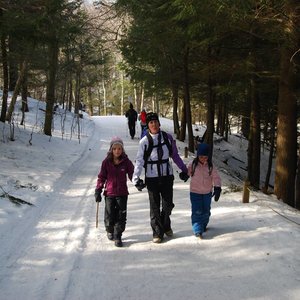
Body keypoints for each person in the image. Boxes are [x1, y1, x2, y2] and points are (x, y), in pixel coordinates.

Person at [132, 112, 189, 243]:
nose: (154, 124)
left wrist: (184, 170)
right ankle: (157, 232)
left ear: (159, 123)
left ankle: (166, 224)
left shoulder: (168, 138)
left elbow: (174, 155)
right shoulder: (144, 141)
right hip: (151, 178)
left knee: (168, 204)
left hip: (167, 176)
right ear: (147, 125)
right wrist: (136, 178)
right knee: (155, 206)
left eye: (156, 122)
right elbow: (139, 161)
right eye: (151, 122)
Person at [94, 137, 134, 247]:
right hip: (110, 194)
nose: (117, 151)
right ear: (111, 149)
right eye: (115, 148)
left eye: (119, 148)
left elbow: (132, 174)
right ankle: (110, 230)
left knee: (121, 215)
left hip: (122, 193)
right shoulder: (106, 162)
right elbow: (101, 177)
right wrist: (98, 189)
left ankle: (118, 235)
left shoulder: (126, 162)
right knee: (109, 215)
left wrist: (138, 181)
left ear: (123, 150)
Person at [187, 143, 222, 239]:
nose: (203, 159)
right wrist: (184, 174)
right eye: (201, 157)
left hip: (207, 193)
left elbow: (216, 178)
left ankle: (203, 224)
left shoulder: (211, 166)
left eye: (205, 157)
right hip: (195, 192)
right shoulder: (193, 165)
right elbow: (187, 171)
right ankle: (197, 230)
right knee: (197, 211)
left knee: (206, 211)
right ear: (198, 156)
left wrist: (217, 188)